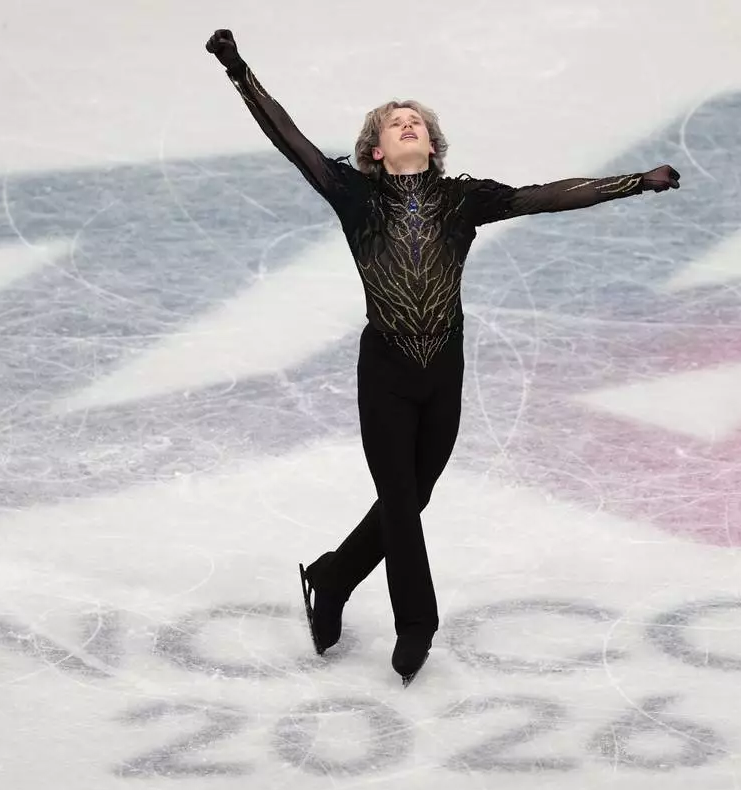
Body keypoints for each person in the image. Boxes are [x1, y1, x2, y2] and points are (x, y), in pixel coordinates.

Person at [205, 28, 680, 685]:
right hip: (387, 373)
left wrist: (636, 182)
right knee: (399, 500)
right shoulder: (355, 195)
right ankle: (416, 626)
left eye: (417, 122)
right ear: (376, 148)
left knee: (414, 494)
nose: (408, 125)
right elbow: (289, 138)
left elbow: (547, 196)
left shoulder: (464, 200)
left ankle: (332, 578)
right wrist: (237, 69)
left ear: (431, 144)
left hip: (446, 370)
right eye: (395, 123)